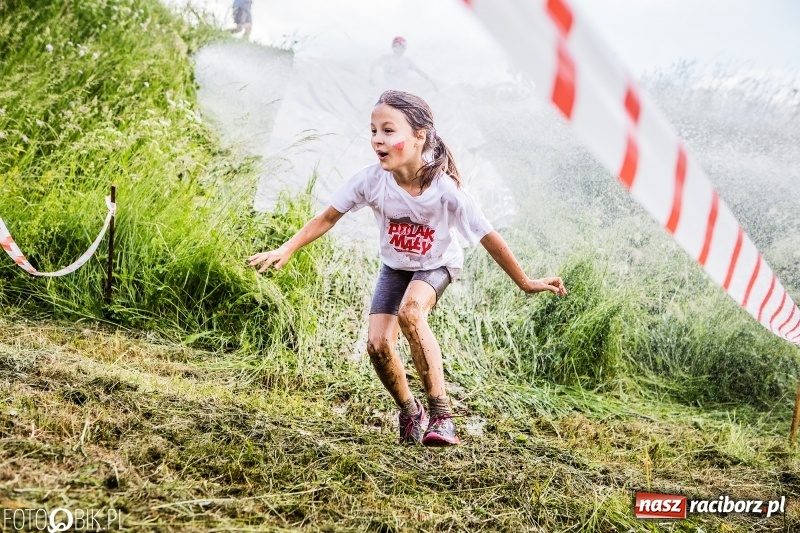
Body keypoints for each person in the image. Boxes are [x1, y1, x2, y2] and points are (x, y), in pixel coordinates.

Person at [248, 90, 567, 446]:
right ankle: (410, 411)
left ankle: (442, 416)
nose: (377, 140)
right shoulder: (370, 180)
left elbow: (489, 238)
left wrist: (525, 282)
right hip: (395, 266)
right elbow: (327, 217)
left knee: (411, 313)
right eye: (373, 131)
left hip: (437, 265)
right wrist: (287, 247)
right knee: (377, 345)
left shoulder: (446, 191)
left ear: (420, 136)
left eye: (388, 131)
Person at [369, 36, 438, 92]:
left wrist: (431, 82)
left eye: (402, 47)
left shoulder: (407, 60)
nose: (400, 49)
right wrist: (371, 78)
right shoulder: (386, 58)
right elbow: (372, 64)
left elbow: (419, 72)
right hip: (387, 91)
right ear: (393, 47)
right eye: (397, 46)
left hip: (402, 92)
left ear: (405, 48)